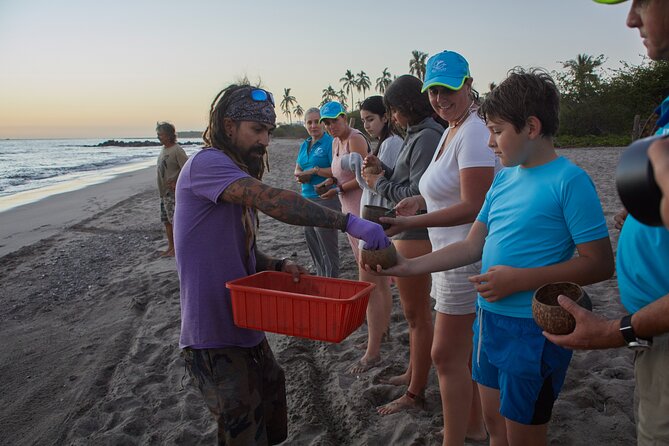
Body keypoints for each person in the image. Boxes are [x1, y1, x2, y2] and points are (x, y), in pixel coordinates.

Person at [366, 69, 614, 445]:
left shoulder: (569, 181)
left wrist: (519, 280)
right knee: (495, 426)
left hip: (533, 329)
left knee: (523, 434)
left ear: (531, 127)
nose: (491, 144)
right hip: (489, 321)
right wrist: (407, 266)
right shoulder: (503, 180)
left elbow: (598, 263)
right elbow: (470, 246)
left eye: (497, 132)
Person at [173, 84, 389, 446]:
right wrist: (347, 222)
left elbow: (240, 251)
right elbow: (272, 200)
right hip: (212, 333)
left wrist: (277, 263)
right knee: (243, 430)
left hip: (246, 322)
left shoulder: (231, 170)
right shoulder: (207, 164)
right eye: (257, 131)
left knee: (272, 412)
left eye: (269, 132)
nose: (265, 141)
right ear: (229, 126)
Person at [545, 2, 669, 444]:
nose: (630, 19)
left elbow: (596, 262)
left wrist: (618, 330)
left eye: (643, 1)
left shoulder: (567, 178)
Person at [381, 51, 496, 444]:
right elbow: (449, 192)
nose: (440, 98)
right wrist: (420, 201)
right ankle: (473, 428)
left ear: (468, 83)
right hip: (450, 256)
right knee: (463, 356)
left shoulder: (476, 130)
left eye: (448, 89)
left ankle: (457, 438)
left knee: (445, 355)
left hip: (467, 255)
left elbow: (474, 205)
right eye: (433, 91)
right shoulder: (453, 127)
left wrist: (412, 221)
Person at [361, 74, 444, 415]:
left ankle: (415, 392)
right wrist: (385, 169)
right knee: (415, 316)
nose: (392, 117)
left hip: (416, 234)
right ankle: (413, 372)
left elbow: (417, 195)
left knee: (416, 316)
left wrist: (379, 182)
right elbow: (407, 178)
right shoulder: (416, 135)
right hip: (409, 233)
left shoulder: (426, 137)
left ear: (407, 107)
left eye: (394, 110)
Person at [349, 95, 403, 374]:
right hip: (375, 217)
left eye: (371, 118)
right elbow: (372, 183)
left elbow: (379, 185)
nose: (367, 124)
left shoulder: (392, 143)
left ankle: (373, 351)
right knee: (375, 284)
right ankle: (378, 337)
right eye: (364, 120)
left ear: (386, 117)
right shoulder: (386, 143)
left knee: (370, 285)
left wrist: (362, 169)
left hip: (376, 218)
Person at [317, 101, 369, 261]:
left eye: (334, 121)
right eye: (327, 123)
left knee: (368, 254)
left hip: (361, 203)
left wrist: (338, 189)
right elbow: (339, 173)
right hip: (346, 206)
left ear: (344, 118)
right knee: (358, 253)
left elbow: (365, 177)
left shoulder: (355, 139)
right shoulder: (335, 142)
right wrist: (330, 181)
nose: (331, 126)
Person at [294, 107, 340, 277]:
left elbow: (336, 171)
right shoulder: (305, 144)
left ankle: (332, 283)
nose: (313, 126)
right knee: (313, 244)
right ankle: (321, 279)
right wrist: (299, 174)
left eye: (317, 121)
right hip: (306, 200)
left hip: (325, 199)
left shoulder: (330, 142)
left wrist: (315, 171)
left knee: (328, 248)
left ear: (323, 123)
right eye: (309, 122)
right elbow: (298, 166)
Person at [156, 121, 188, 257]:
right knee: (166, 221)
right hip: (164, 193)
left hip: (173, 193)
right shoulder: (163, 150)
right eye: (158, 134)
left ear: (169, 135)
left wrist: (178, 183)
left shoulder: (177, 150)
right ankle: (171, 247)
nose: (158, 137)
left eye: (161, 134)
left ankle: (178, 248)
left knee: (175, 222)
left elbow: (187, 169)